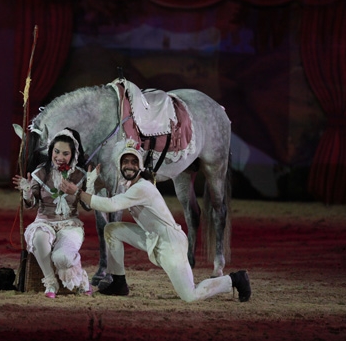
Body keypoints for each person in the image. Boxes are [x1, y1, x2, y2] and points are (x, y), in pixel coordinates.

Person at [60, 139, 251, 303]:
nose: (129, 165)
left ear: (140, 166)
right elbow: (92, 202)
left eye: (133, 162)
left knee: (190, 295)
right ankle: (118, 282)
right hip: (153, 238)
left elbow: (110, 205)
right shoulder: (128, 184)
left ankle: (234, 279)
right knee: (112, 230)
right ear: (120, 165)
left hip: (171, 244)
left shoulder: (142, 188)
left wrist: (77, 192)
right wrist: (91, 182)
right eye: (125, 161)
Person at [13, 128, 92, 299]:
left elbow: (87, 206)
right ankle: (50, 282)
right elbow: (31, 204)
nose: (60, 157)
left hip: (70, 224)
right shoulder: (41, 171)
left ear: (73, 154)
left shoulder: (80, 175)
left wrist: (90, 185)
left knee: (62, 258)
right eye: (56, 152)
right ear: (51, 151)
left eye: (65, 153)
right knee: (39, 237)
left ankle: (82, 280)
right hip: (44, 221)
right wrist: (26, 190)